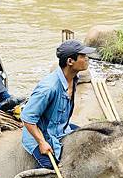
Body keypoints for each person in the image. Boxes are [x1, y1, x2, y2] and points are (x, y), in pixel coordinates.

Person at [21, 40, 96, 169]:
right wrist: (41, 142)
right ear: (70, 62)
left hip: (61, 127)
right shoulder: (48, 88)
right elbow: (27, 118)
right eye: (83, 56)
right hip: (43, 133)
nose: (87, 59)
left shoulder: (73, 79)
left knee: (90, 141)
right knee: (53, 170)